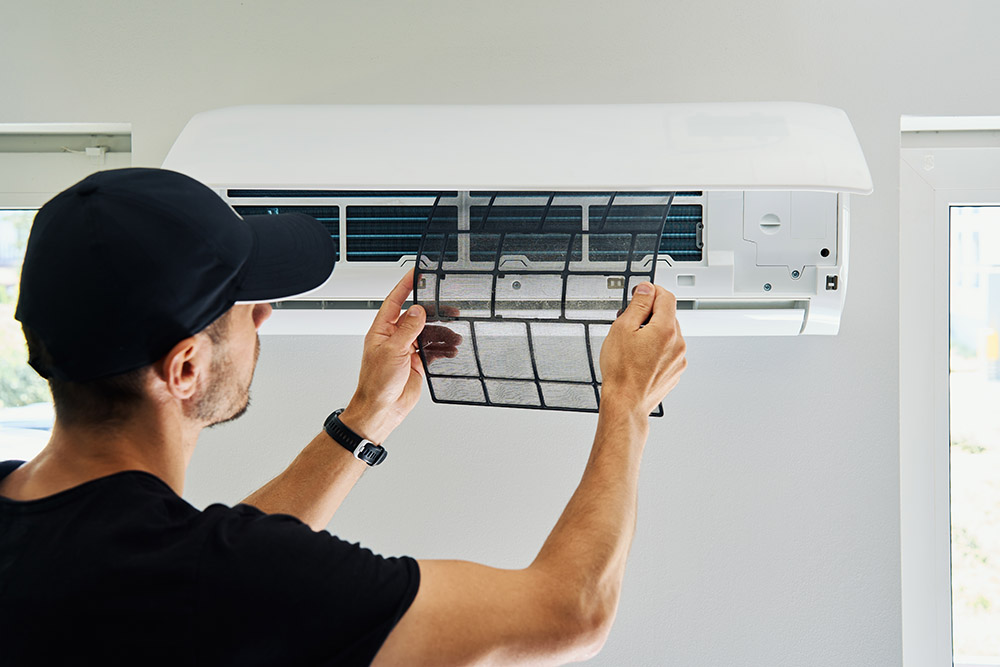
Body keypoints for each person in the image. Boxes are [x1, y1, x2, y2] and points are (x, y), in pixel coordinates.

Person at [0, 168, 687, 666]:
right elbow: (569, 614)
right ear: (185, 369)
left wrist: (364, 420)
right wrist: (626, 401)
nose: (263, 313)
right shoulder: (213, 578)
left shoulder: (38, 529)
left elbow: (202, 574)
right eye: (245, 304)